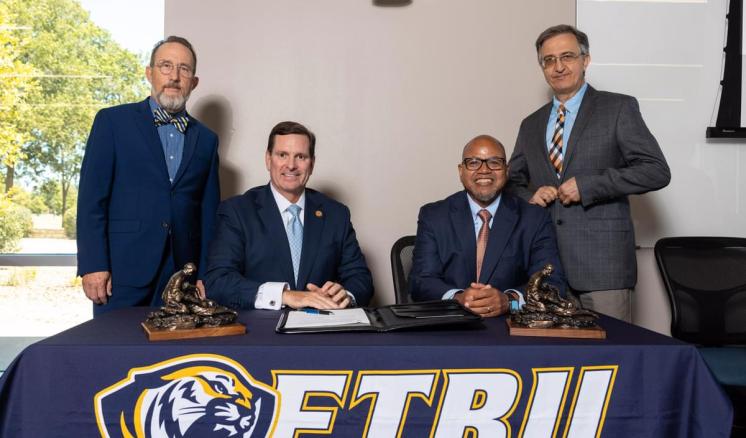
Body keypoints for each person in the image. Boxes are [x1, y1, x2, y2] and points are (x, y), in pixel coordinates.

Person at [506, 24, 670, 322]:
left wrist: (590, 186)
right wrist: (531, 195)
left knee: (609, 359)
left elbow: (656, 171)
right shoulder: (530, 124)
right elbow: (511, 182)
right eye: (549, 60)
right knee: (558, 364)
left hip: (603, 267)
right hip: (546, 269)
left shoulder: (618, 108)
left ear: (586, 60)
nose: (558, 67)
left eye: (567, 56)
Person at [77, 36, 220, 316]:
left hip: (182, 277)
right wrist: (93, 264)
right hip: (121, 272)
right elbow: (92, 200)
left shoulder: (206, 139)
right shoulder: (112, 122)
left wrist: (206, 273)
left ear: (194, 82)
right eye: (165, 66)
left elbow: (208, 214)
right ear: (149, 73)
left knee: (174, 358)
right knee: (115, 354)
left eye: (184, 69)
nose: (174, 76)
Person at [205, 121, 373, 310]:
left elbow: (361, 279)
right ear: (268, 159)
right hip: (262, 332)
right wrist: (284, 295)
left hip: (321, 331)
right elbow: (218, 281)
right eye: (282, 155)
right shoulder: (237, 212)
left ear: (312, 164)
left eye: (301, 156)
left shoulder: (336, 214)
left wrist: (345, 295)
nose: (291, 165)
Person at [409, 135, 566, 317]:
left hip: (510, 327)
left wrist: (510, 301)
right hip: (451, 327)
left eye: (494, 162)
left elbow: (553, 282)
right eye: (473, 162)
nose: (484, 170)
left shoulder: (534, 218)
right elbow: (421, 280)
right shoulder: (434, 216)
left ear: (507, 171)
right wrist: (457, 298)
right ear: (461, 171)